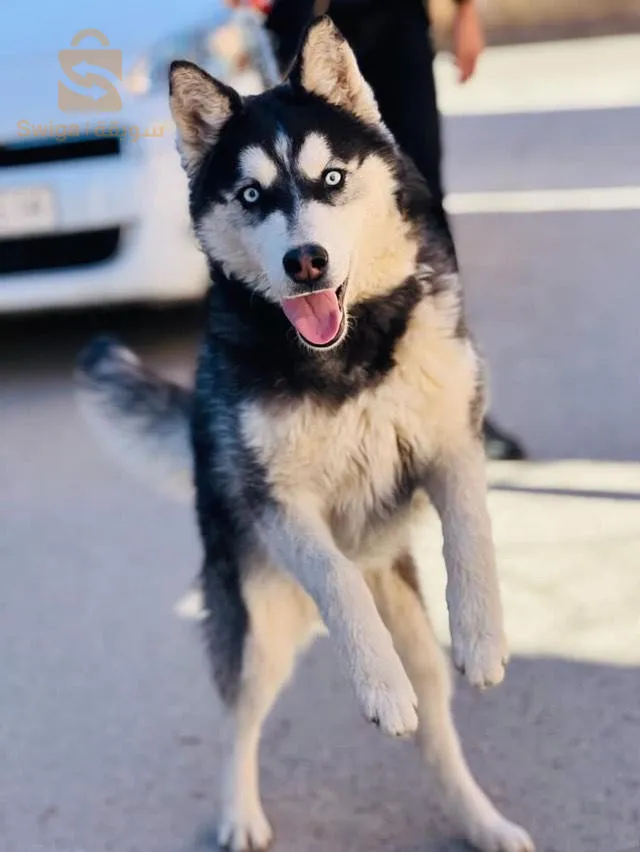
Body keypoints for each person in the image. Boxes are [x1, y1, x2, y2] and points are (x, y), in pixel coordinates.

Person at [226, 0, 526, 461]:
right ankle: (330, 412)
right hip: (297, 21)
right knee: (300, 211)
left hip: (395, 23)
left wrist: (466, 13)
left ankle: (459, 406)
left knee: (423, 204)